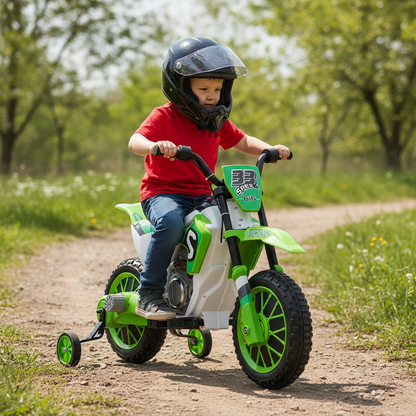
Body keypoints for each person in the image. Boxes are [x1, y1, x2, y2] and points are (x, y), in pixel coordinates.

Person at [128, 36, 290, 321]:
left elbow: (244, 141)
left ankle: (206, 289)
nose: (212, 95)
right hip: (163, 192)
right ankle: (149, 294)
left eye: (217, 88)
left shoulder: (215, 121)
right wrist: (157, 146)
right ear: (181, 87)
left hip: (202, 194)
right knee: (171, 222)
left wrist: (270, 149)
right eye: (203, 88)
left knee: (231, 223)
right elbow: (135, 140)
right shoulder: (164, 116)